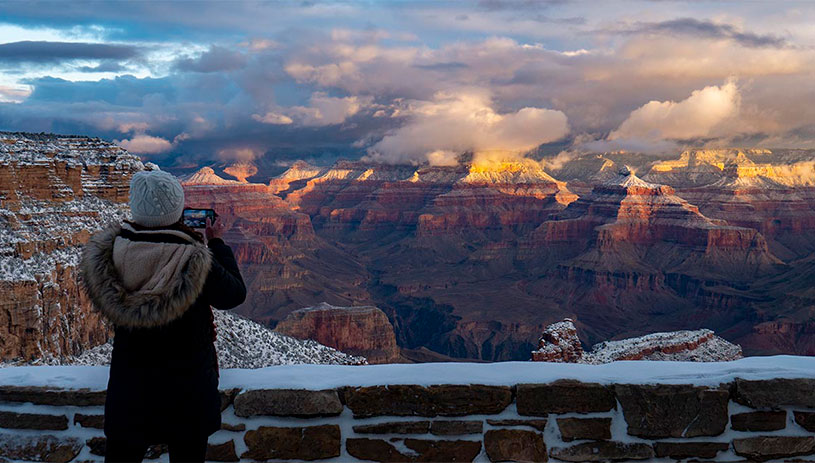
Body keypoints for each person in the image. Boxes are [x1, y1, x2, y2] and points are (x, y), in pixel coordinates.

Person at [80, 169, 246, 463]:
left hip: (130, 390)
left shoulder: (112, 255)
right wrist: (217, 243)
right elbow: (234, 294)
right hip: (187, 393)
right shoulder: (192, 258)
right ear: (176, 210)